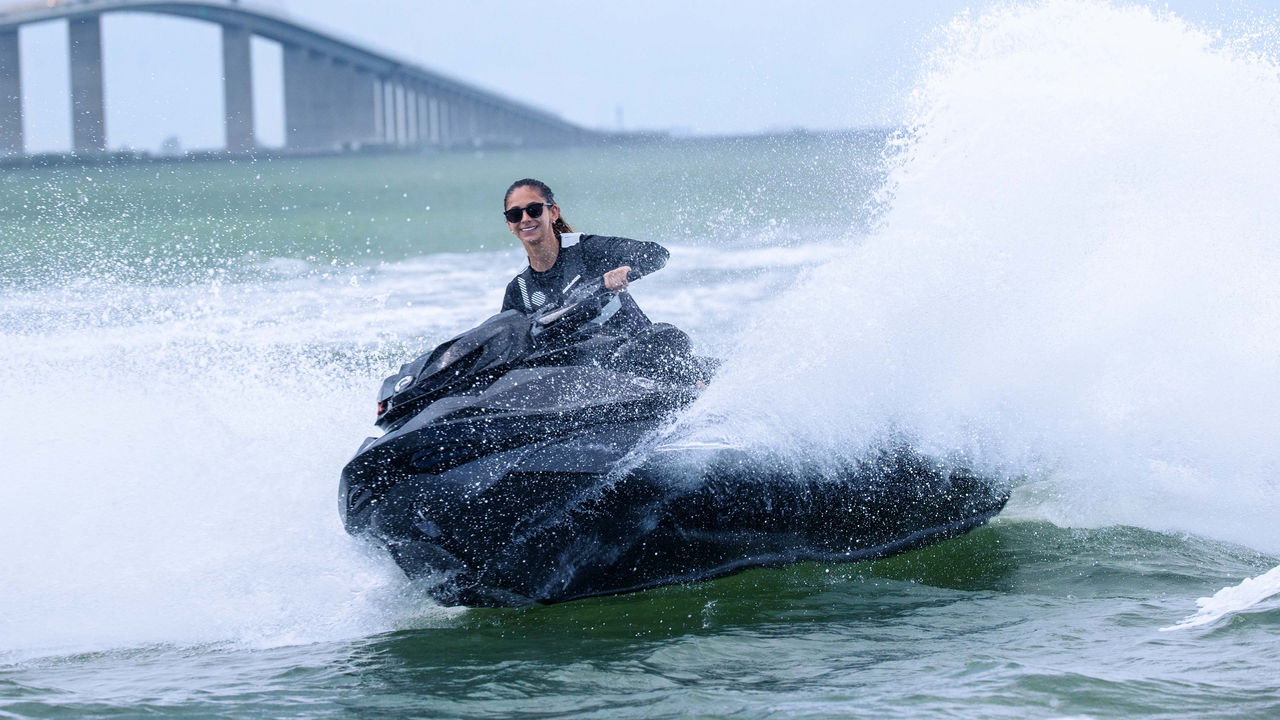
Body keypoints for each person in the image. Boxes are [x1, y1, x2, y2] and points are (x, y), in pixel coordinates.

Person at [500, 178, 668, 332]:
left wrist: (623, 272)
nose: (525, 218)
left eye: (534, 210)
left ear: (554, 213)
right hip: (578, 362)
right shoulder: (519, 289)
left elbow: (656, 254)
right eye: (515, 215)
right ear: (509, 224)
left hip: (634, 348)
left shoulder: (586, 250)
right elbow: (506, 343)